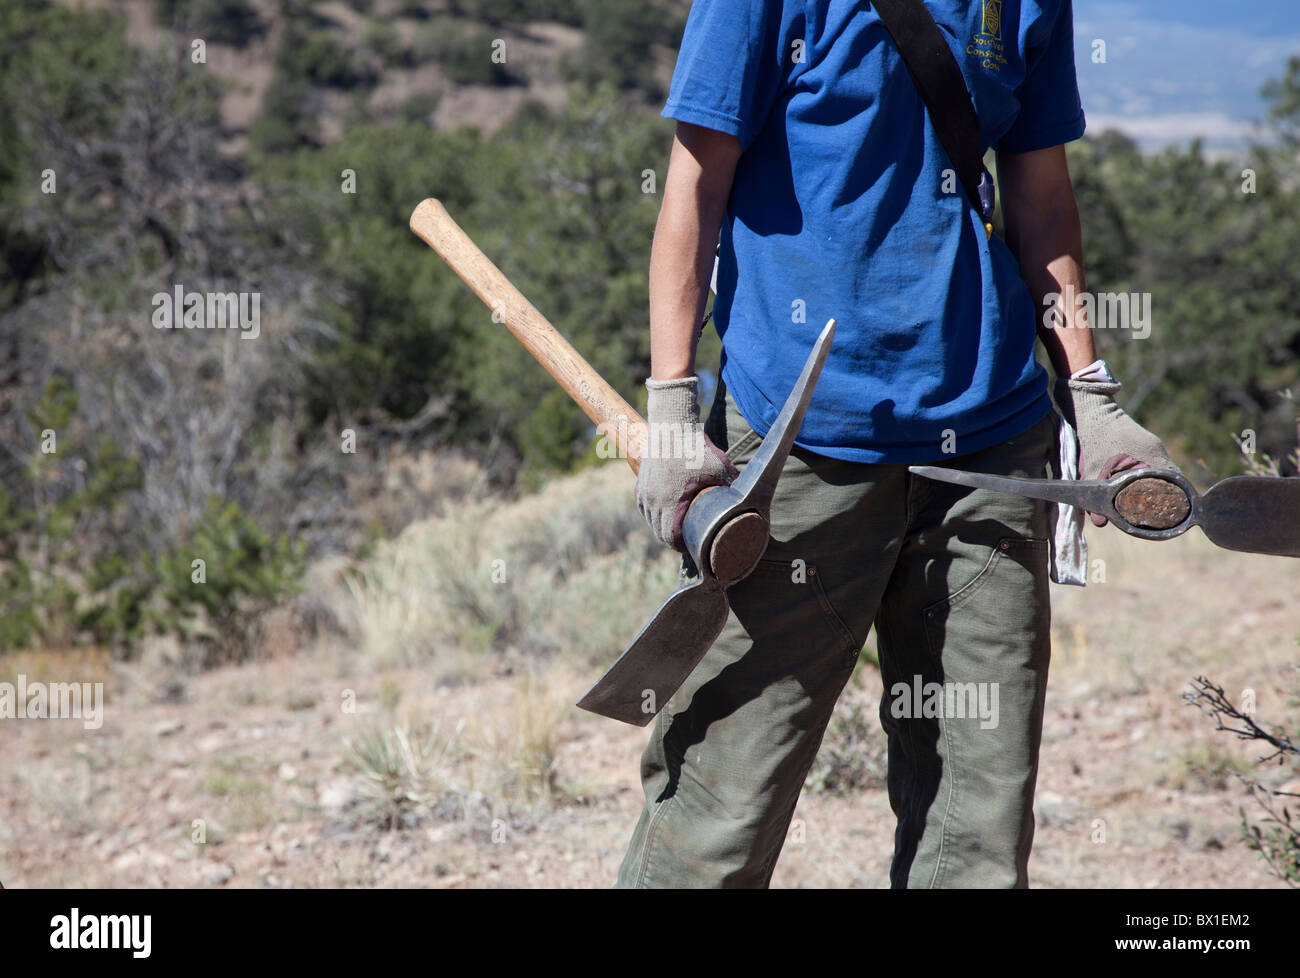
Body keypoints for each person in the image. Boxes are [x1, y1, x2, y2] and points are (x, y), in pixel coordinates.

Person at [620, 0, 1177, 888]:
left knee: (978, 828)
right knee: (720, 810)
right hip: (797, 452)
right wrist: (673, 406)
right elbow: (695, 186)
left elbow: (1040, 195)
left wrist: (1091, 391)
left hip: (990, 451)